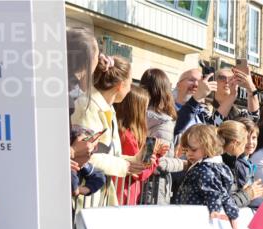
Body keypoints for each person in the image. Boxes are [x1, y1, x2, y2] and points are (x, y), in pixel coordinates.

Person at [70, 56, 148, 207]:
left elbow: (109, 155)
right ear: (120, 85)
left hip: (95, 199)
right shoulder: (88, 106)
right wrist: (125, 166)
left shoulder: (108, 109)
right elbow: (85, 155)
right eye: (131, 83)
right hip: (82, 199)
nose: (130, 88)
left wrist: (135, 160)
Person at [173, 124, 240, 226]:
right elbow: (223, 194)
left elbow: (213, 192)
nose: (188, 154)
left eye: (194, 150)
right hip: (191, 215)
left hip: (194, 219)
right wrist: (232, 212)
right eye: (186, 150)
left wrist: (215, 210)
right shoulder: (214, 167)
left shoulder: (204, 170)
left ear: (209, 147)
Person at [140, 68, 186, 205]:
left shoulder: (137, 116)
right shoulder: (163, 123)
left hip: (137, 185)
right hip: (153, 189)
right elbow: (157, 161)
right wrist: (183, 163)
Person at [114, 85, 160, 205]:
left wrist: (155, 153)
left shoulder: (123, 132)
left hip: (123, 193)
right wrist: (155, 156)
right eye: (145, 108)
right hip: (124, 195)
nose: (146, 112)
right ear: (136, 110)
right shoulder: (126, 136)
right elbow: (139, 172)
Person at [218, 120, 263, 210]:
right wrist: (248, 194)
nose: (250, 142)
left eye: (254, 138)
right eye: (246, 138)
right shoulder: (233, 165)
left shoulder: (242, 162)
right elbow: (224, 204)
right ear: (235, 142)